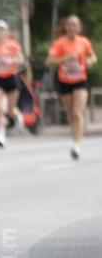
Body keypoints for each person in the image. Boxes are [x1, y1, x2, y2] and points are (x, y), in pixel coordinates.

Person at [46, 14, 97, 159]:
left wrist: (90, 61)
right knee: (70, 115)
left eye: (75, 25)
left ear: (79, 28)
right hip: (65, 81)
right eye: (69, 24)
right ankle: (77, 129)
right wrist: (66, 58)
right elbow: (49, 62)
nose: (72, 27)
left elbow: (93, 56)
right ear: (65, 27)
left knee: (76, 113)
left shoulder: (84, 42)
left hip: (80, 80)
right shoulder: (59, 43)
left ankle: (76, 145)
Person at [0, 19, 26, 148]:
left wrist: (10, 60)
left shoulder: (13, 44)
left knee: (10, 110)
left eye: (2, 29)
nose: (0, 32)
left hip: (11, 78)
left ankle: (18, 118)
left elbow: (21, 59)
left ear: (7, 31)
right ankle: (1, 137)